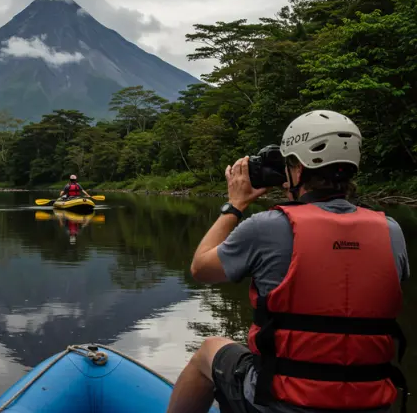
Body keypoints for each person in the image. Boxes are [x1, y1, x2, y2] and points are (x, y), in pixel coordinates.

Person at [166, 110, 409, 413]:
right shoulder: (391, 231)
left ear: (297, 169)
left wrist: (235, 205)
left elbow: (200, 269)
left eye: (288, 164)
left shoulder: (268, 226)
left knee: (207, 351)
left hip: (283, 401)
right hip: (372, 402)